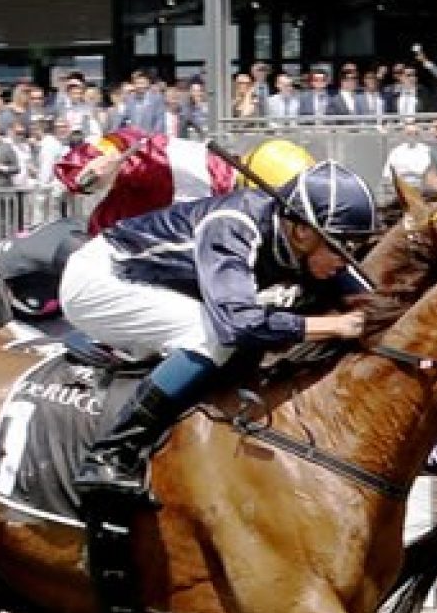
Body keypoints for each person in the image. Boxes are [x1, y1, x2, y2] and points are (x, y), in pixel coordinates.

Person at [58, 159, 376, 498]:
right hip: (101, 280)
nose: (347, 258)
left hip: (154, 283)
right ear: (302, 231)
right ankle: (111, 454)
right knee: (209, 336)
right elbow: (237, 324)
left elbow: (368, 298)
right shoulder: (233, 226)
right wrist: (331, 325)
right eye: (343, 245)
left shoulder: (303, 239)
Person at [53, 126, 249, 235]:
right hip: (115, 251)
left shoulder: (245, 214)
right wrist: (88, 174)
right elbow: (87, 161)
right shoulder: (157, 155)